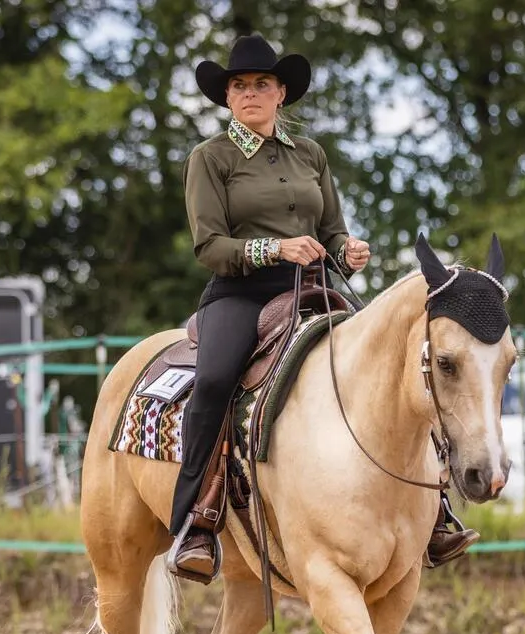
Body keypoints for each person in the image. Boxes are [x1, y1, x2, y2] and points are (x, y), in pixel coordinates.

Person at [166, 33, 479, 581]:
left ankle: (436, 512)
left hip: (312, 288)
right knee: (214, 380)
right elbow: (209, 246)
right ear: (227, 97)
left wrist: (347, 249)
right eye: (240, 85)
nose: (250, 93)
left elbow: (331, 230)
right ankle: (196, 518)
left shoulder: (309, 154)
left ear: (281, 92)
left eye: (262, 83)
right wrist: (275, 248)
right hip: (240, 293)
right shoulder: (209, 158)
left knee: (394, 366)